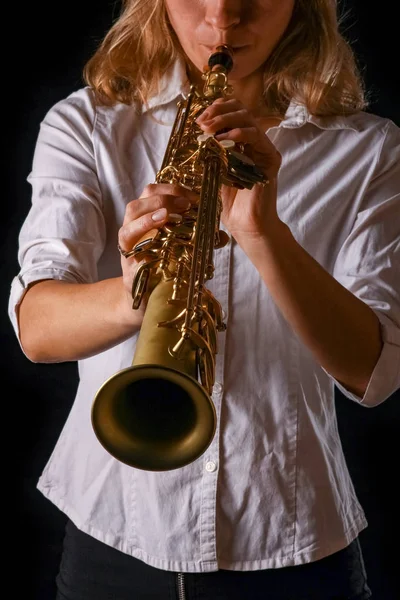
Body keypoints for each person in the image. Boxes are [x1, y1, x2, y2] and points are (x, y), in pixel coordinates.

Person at [9, 0, 400, 598]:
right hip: (114, 537)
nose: (223, 18)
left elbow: (377, 372)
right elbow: (37, 329)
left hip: (294, 543)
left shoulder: (370, 150)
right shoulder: (85, 124)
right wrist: (138, 289)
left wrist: (262, 234)